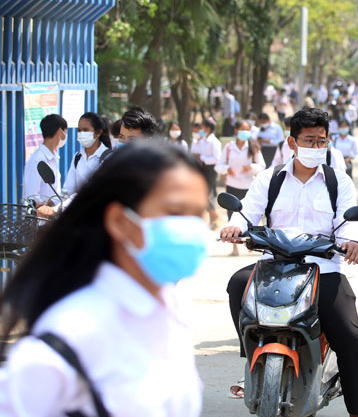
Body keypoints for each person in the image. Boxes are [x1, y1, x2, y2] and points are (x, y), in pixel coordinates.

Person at [0, 142, 207, 416]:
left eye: (198, 215)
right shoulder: (67, 339)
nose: (190, 229)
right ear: (120, 221)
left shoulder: (172, 310)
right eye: (175, 213)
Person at [219, 108, 358, 417]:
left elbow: (349, 221)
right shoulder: (269, 178)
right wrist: (235, 225)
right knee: (236, 284)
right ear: (291, 142)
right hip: (275, 266)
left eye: (321, 140)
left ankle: (357, 412)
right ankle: (252, 356)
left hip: (322, 268)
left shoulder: (339, 182)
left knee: (350, 338)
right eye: (309, 140)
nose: (316, 147)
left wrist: (353, 242)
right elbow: (247, 210)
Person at [215, 121, 266, 257]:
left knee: (252, 216)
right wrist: (227, 169)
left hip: (249, 186)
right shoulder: (229, 148)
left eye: (248, 129)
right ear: (236, 130)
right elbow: (218, 165)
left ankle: (253, 242)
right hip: (232, 185)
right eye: (243, 129)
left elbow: (262, 165)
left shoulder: (253, 147)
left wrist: (251, 168)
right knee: (232, 216)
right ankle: (235, 247)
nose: (245, 132)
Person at [22, 114, 67, 219]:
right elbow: (30, 198)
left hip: (52, 220)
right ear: (60, 132)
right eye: (65, 132)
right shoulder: (38, 160)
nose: (65, 136)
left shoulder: (53, 157)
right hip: (40, 223)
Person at [62, 112, 113, 196]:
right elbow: (68, 190)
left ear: (98, 132)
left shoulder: (108, 157)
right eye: (79, 130)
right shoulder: (77, 157)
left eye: (85, 130)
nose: (81, 134)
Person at [194, 119, 222, 229]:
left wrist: (203, 158)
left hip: (211, 169)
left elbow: (217, 159)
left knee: (207, 193)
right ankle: (212, 219)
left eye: (202, 128)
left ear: (208, 129)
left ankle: (215, 216)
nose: (200, 130)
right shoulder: (202, 141)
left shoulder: (215, 142)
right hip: (203, 169)